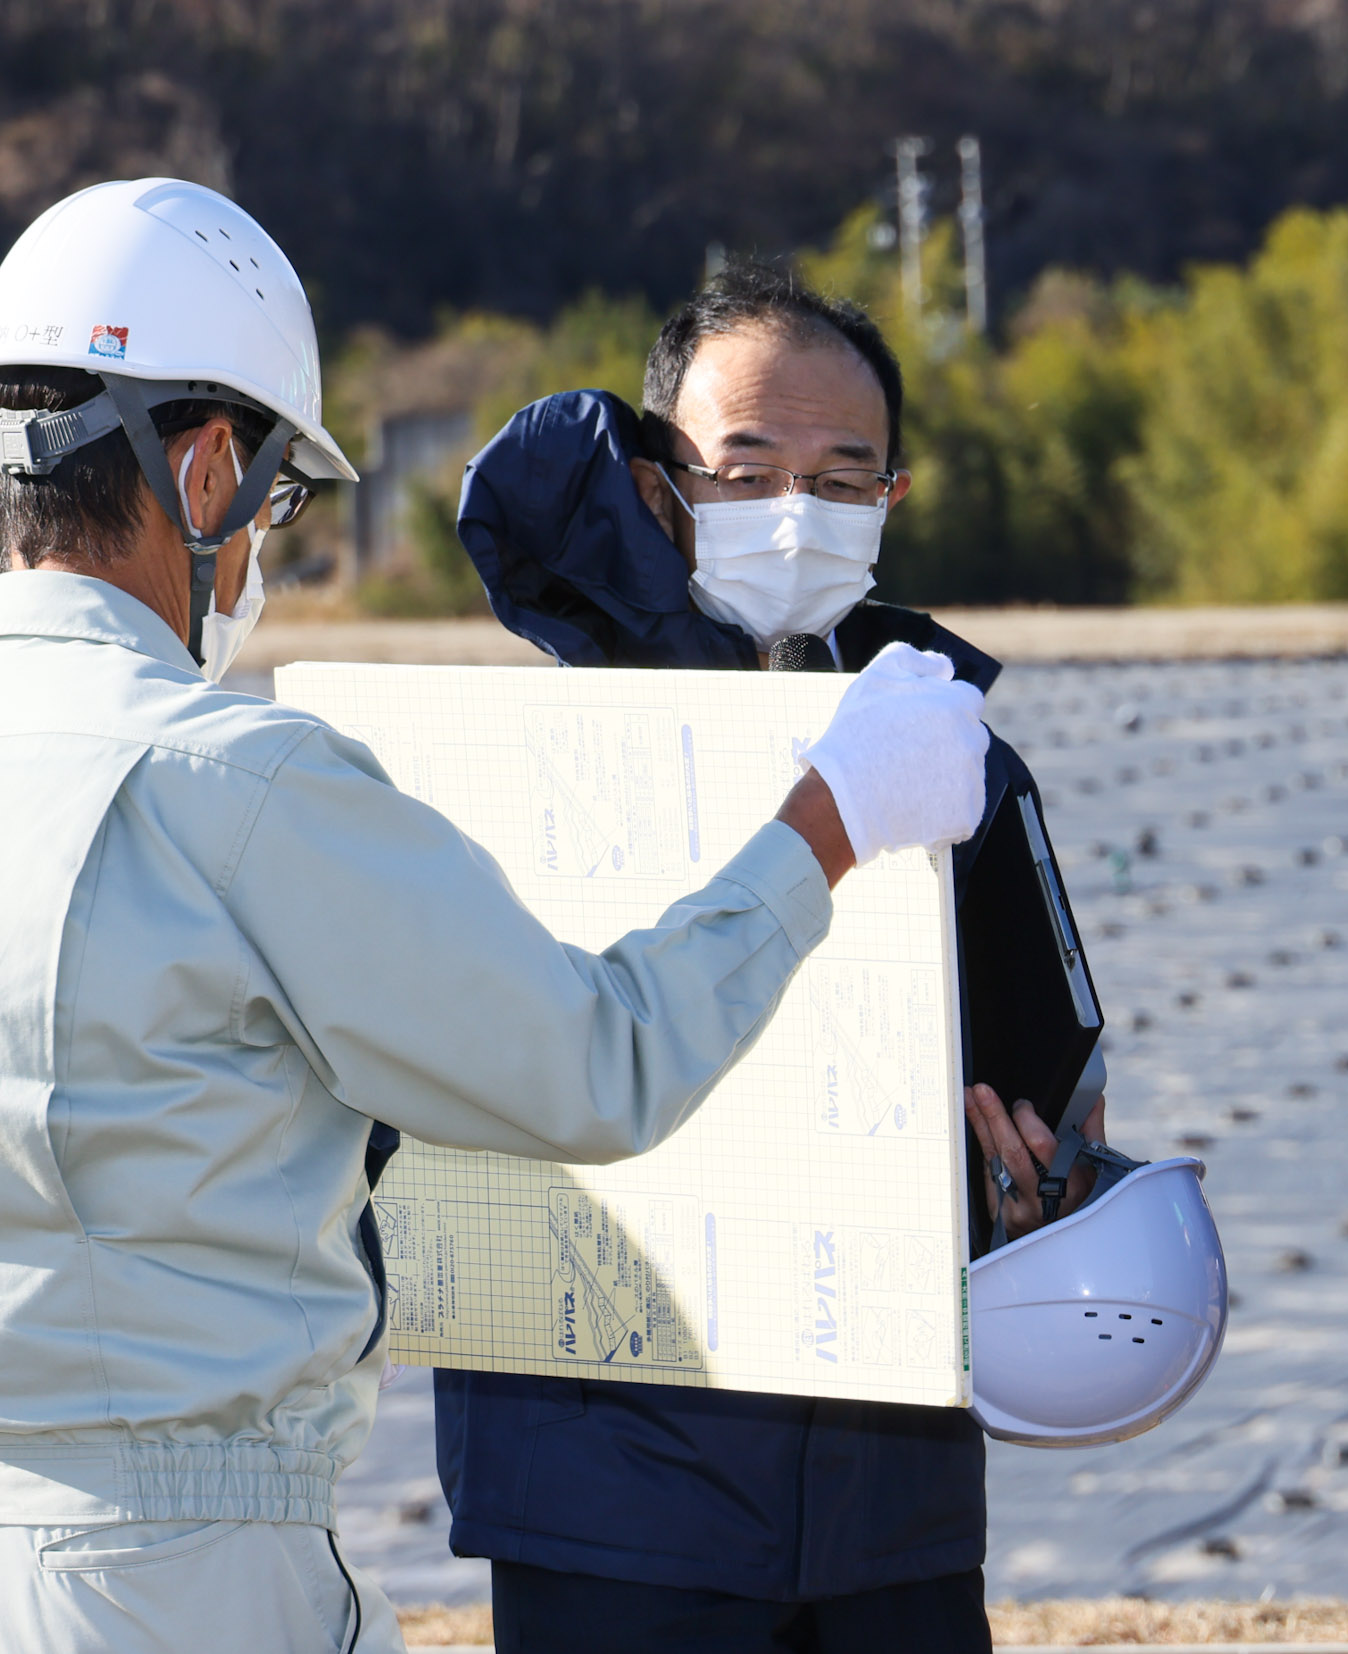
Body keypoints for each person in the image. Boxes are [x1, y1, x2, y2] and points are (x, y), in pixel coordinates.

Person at [0, 183, 986, 1654]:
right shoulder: (242, 781)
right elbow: (598, 1062)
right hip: (182, 1569)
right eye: (274, 499)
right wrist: (826, 818)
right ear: (206, 469)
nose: (264, 545)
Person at [439, 260, 1094, 1654]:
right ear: (658, 481)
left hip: (892, 1486)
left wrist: (1038, 1180)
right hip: (604, 1493)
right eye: (745, 467)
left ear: (893, 500)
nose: (794, 511)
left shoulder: (957, 758)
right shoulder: (543, 771)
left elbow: (1055, 1074)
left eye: (843, 476)